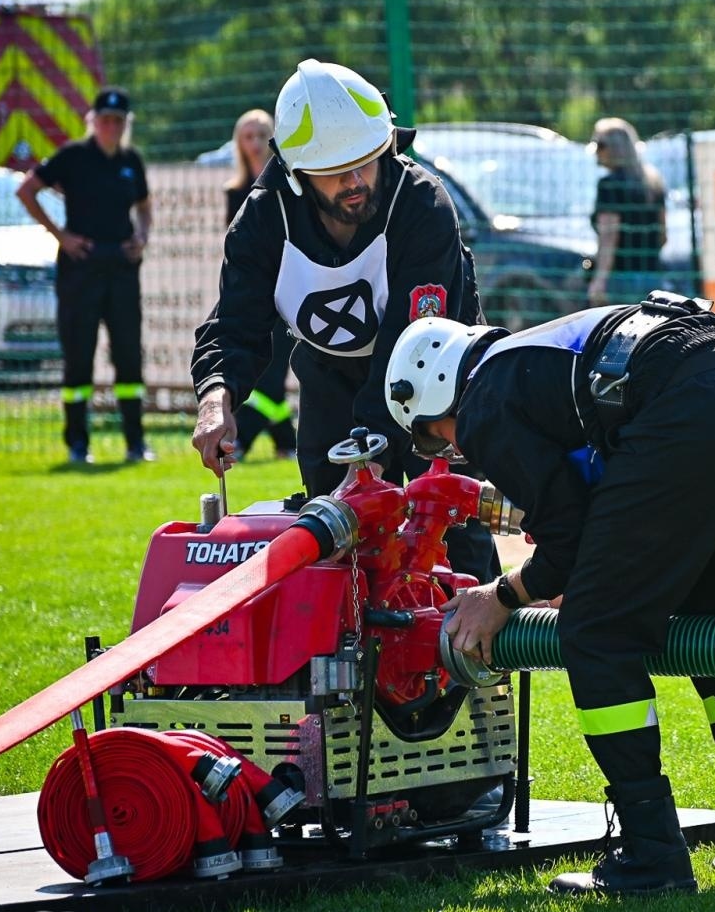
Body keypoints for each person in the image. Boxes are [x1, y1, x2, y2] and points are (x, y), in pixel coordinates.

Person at [383, 292, 715, 896]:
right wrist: (589, 575)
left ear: (436, 391)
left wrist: (504, 594)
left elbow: (567, 542)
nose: (451, 451)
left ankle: (650, 855)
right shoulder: (526, 359)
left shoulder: (484, 400)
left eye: (434, 439)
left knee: (594, 636)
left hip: (694, 406)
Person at [190, 59, 496, 581]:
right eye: (334, 171)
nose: (355, 181)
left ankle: (481, 654)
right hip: (329, 376)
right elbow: (236, 323)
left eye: (367, 161)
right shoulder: (262, 220)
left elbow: (413, 342)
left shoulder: (422, 205)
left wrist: (372, 458)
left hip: (439, 383)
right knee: (334, 545)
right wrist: (216, 400)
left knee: (450, 528)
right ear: (296, 173)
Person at [16, 87, 154, 465]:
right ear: (93, 121)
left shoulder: (131, 161)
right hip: (82, 266)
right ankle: (78, 444)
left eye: (118, 121)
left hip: (122, 267)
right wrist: (61, 235)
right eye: (105, 120)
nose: (111, 127)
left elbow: (143, 206)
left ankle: (135, 443)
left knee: (128, 355)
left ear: (126, 125)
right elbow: (27, 189)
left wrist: (142, 236)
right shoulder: (73, 157)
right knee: (79, 355)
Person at [222, 109, 298, 463]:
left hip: (289, 292)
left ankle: (243, 437)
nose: (253, 144)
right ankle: (288, 442)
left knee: (271, 374)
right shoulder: (235, 192)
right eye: (247, 136)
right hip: (256, 295)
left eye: (260, 135)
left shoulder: (289, 186)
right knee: (267, 374)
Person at [587, 118, 667, 307]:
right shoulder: (653, 182)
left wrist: (599, 281)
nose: (596, 152)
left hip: (619, 280)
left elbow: (609, 237)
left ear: (615, 148)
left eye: (600, 145)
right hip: (653, 278)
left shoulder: (609, 185)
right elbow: (663, 236)